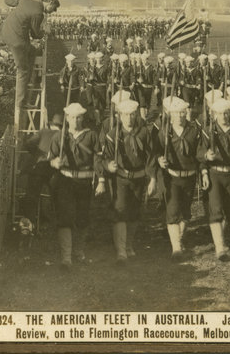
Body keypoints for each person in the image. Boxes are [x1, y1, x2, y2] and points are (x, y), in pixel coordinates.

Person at [97, 98, 156, 263]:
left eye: (132, 115)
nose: (128, 119)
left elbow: (151, 157)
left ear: (136, 115)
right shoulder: (113, 135)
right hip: (120, 178)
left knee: (135, 213)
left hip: (139, 179)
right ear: (119, 116)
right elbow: (104, 157)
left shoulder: (144, 133)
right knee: (120, 211)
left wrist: (152, 179)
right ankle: (121, 250)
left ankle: (129, 244)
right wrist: (109, 165)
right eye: (125, 115)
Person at [48, 102, 96, 269]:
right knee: (65, 217)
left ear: (82, 118)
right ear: (67, 118)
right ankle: (66, 257)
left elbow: (98, 159)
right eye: (72, 117)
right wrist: (55, 162)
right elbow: (51, 159)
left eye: (78, 117)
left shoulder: (91, 136)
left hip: (84, 181)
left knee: (83, 217)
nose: (75, 120)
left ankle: (79, 250)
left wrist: (101, 180)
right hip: (66, 180)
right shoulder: (60, 137)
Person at [156, 96, 204, 261]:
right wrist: (159, 160)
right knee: (172, 210)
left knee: (185, 212)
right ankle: (176, 248)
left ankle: (179, 239)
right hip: (172, 177)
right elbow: (157, 150)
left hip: (189, 177)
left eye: (183, 113)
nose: (180, 116)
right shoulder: (165, 132)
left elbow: (199, 152)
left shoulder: (194, 131)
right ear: (171, 115)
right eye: (177, 113)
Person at [0, 0, 60, 111]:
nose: (52, 12)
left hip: (5, 32)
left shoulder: (25, 0)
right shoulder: (38, 13)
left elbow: (7, 0)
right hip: (16, 40)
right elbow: (35, 35)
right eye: (53, 9)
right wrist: (45, 31)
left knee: (32, 51)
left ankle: (31, 78)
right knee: (23, 71)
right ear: (50, 3)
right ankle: (20, 103)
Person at [203, 98, 230, 261]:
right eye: (219, 114)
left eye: (225, 113)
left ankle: (221, 239)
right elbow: (201, 151)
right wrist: (206, 155)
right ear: (214, 115)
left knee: (228, 210)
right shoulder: (209, 130)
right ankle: (220, 247)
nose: (223, 116)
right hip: (215, 173)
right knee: (216, 208)